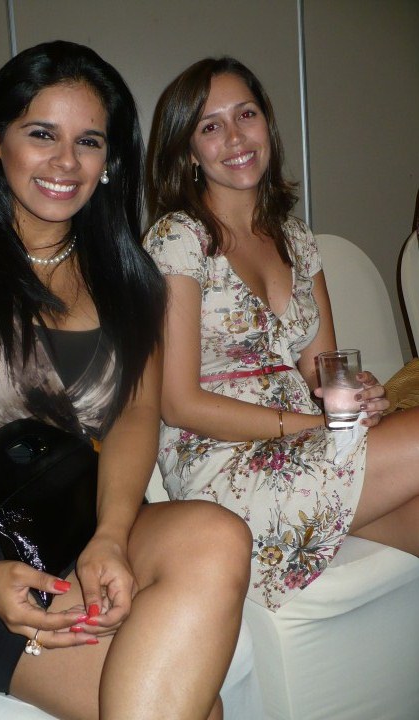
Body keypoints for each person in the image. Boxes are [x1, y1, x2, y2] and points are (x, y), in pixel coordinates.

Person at [0, 42, 252, 720]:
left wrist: (111, 534)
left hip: (77, 514)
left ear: (109, 162)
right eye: (41, 134)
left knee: (219, 534)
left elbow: (135, 416)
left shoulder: (131, 276)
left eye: (88, 141)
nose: (66, 162)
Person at [144, 55, 419, 613]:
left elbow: (324, 371)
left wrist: (358, 395)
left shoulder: (297, 239)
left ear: (267, 123)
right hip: (224, 465)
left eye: (246, 114)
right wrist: (316, 425)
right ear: (188, 151)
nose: (235, 137)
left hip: (309, 444)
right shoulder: (178, 239)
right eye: (210, 126)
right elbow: (178, 403)